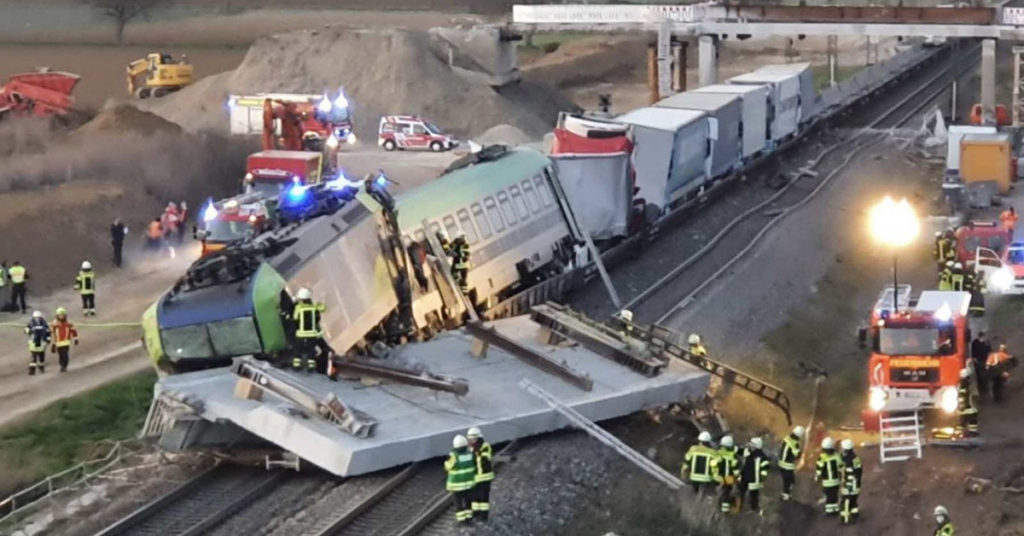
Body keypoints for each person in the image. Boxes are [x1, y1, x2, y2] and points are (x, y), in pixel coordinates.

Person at [291, 287, 326, 373]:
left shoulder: (298, 308)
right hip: (312, 335)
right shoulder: (314, 308)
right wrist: (321, 302)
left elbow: (295, 318)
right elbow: (323, 308)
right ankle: (311, 368)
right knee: (311, 352)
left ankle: (296, 367)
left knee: (297, 352)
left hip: (301, 335)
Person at [444, 434, 476, 525]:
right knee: (468, 502)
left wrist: (447, 460)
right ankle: (469, 518)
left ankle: (462, 521)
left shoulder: (454, 456)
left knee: (458, 503)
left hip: (457, 486)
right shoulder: (470, 454)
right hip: (469, 484)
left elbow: (448, 466)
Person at [467, 427, 493, 521]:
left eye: (472, 439)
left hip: (484, 476)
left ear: (477, 438)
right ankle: (476, 512)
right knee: (475, 496)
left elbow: (485, 458)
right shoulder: (471, 448)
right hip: (475, 477)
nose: (470, 441)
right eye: (469, 439)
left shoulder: (485, 446)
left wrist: (476, 452)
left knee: (483, 496)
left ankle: (484, 515)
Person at [739, 436, 769, 515]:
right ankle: (740, 507)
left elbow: (765, 468)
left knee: (754, 496)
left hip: (755, 480)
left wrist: (762, 476)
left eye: (751, 445)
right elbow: (739, 451)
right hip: (745, 477)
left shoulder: (762, 457)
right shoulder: (748, 452)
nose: (749, 446)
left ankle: (755, 510)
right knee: (741, 492)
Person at [682, 431, 717, 495]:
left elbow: (686, 464)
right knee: (711, 493)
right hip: (707, 479)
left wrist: (684, 475)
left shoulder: (692, 449)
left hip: (694, 478)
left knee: (694, 493)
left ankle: (693, 501)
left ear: (699, 441)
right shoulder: (712, 452)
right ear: (709, 442)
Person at [713, 434, 741, 514]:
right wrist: (737, 481)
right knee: (727, 493)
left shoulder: (716, 453)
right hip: (728, 478)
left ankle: (714, 507)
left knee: (716, 492)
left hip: (717, 477)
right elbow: (736, 471)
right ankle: (725, 512)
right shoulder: (733, 456)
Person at [815, 437, 842, 517]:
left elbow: (819, 470)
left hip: (826, 483)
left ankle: (829, 512)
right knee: (834, 495)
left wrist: (817, 478)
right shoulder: (837, 456)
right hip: (836, 481)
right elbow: (840, 466)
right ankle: (836, 509)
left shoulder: (821, 458)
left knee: (829, 497)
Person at [778, 425, 804, 501]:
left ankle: (786, 493)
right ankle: (786, 496)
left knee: (788, 480)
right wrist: (800, 452)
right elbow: (797, 455)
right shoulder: (794, 444)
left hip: (781, 463)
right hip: (788, 465)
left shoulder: (786, 438)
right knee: (789, 481)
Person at [839, 439, 862, 525]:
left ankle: (845, 519)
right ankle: (855, 514)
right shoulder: (856, 458)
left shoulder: (844, 459)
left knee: (845, 500)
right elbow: (859, 471)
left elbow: (841, 469)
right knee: (853, 499)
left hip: (848, 483)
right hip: (855, 483)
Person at [50, 307, 78, 372]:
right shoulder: (55, 324)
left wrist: (75, 338)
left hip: (66, 342)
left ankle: (64, 365)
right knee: (60, 355)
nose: (61, 316)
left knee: (65, 355)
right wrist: (53, 344)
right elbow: (51, 333)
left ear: (64, 315)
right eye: (59, 315)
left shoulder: (68, 323)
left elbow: (74, 331)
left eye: (62, 315)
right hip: (58, 343)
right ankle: (62, 366)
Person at [25, 311, 50, 375]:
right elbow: (26, 329)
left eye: (38, 317)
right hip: (34, 341)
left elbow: (48, 332)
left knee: (41, 356)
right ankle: (32, 370)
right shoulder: (31, 323)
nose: (37, 319)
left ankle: (41, 366)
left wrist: (48, 339)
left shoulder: (44, 323)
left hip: (42, 341)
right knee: (34, 356)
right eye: (36, 317)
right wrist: (29, 332)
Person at [957, 367, 979, 437]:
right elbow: (962, 395)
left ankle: (961, 433)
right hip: (966, 407)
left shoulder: (963, 383)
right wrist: (962, 405)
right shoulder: (964, 383)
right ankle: (971, 433)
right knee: (969, 419)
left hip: (966, 406)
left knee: (963, 421)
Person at [971, 331, 991, 398]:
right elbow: (973, 352)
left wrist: (989, 360)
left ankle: (985, 391)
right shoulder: (975, 343)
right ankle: (981, 391)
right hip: (978, 361)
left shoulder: (986, 343)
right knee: (979, 377)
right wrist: (974, 359)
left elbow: (989, 351)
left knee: (985, 376)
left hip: (985, 361)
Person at [451, 229, 471, 294]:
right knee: (454, 273)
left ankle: (465, 292)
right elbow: (450, 246)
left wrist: (458, 255)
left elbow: (466, 254)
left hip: (462, 265)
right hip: (460, 264)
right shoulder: (457, 243)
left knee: (462, 278)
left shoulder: (465, 245)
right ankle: (461, 286)